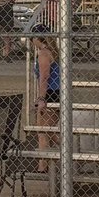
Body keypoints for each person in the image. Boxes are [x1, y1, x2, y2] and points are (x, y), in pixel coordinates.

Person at [31, 30, 60, 174]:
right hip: (56, 92)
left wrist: (41, 98)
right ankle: (70, 155)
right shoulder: (53, 51)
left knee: (42, 131)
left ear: (37, 38)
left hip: (50, 93)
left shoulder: (43, 53)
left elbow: (44, 78)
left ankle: (42, 166)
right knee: (49, 132)